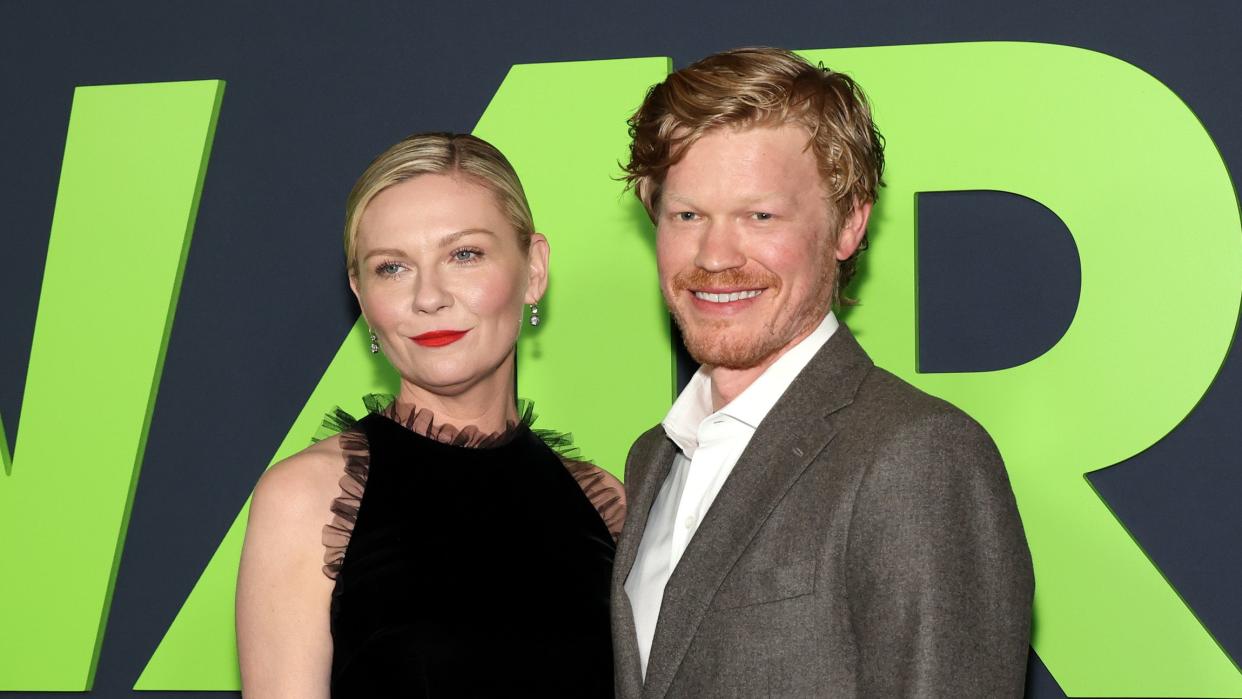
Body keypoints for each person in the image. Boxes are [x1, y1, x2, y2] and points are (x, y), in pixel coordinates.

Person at [612, 47, 1034, 698]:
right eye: (688, 214)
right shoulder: (653, 460)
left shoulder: (917, 455)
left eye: (760, 215)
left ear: (849, 224)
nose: (715, 255)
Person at [236, 133, 625, 697]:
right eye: (392, 268)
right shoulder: (305, 498)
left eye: (464, 254)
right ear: (361, 294)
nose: (428, 297)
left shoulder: (605, 504)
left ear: (534, 268)